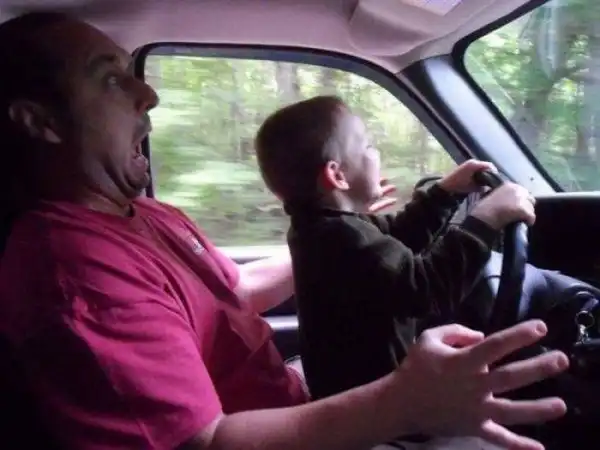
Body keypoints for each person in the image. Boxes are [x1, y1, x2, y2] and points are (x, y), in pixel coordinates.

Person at [0, 12, 567, 450]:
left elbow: (234, 294)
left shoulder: (147, 215)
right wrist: (402, 402)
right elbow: (203, 443)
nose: (147, 94)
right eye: (110, 79)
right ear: (41, 121)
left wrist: (348, 240)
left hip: (293, 399)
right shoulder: (74, 270)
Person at [254, 95, 536, 400]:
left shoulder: (323, 228)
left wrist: (446, 192)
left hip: (357, 392)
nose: (376, 152)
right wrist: (486, 220)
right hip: (371, 405)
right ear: (337, 175)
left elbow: (399, 236)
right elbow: (427, 290)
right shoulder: (340, 236)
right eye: (367, 145)